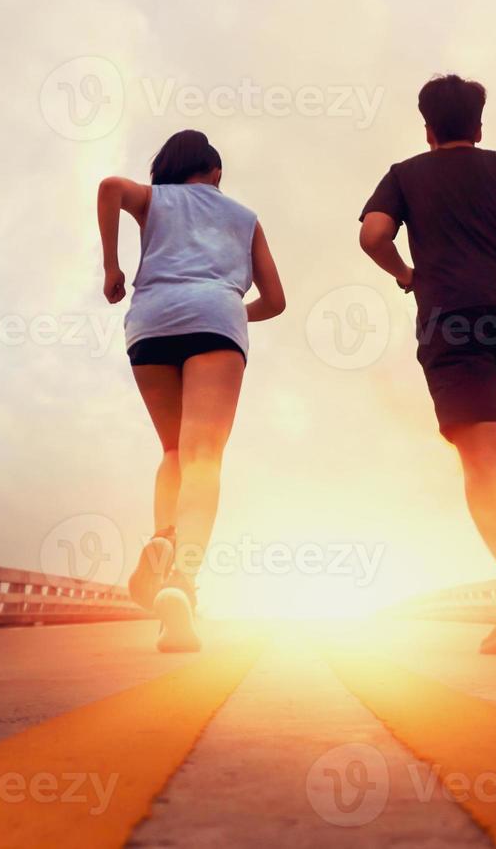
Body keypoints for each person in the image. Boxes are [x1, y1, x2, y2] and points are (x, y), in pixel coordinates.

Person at [358, 74, 496, 655]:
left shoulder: (406, 174)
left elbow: (373, 234)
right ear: (479, 126)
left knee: (480, 459)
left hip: (454, 318)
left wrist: (405, 273)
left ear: (427, 128)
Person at [98, 129, 286, 652]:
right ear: (216, 173)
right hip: (216, 319)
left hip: (152, 321)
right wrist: (224, 313)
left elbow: (111, 186)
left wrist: (113, 268)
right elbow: (276, 300)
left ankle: (164, 537)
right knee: (204, 456)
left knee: (175, 450)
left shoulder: (154, 198)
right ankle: (182, 579)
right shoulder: (243, 217)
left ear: (166, 167)